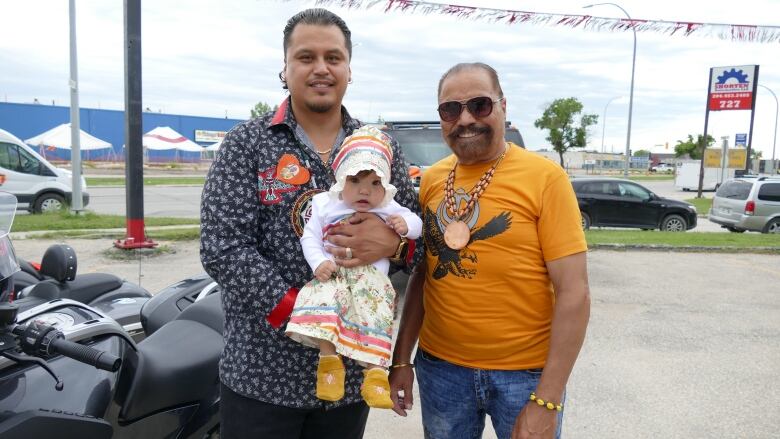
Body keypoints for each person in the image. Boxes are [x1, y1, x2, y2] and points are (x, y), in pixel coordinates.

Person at [200, 9, 420, 439]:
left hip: (350, 379)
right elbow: (222, 247)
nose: (321, 68)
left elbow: (421, 245)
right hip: (261, 376)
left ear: (349, 70)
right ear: (284, 69)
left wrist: (392, 247)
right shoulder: (249, 143)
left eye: (333, 57)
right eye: (306, 57)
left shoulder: (380, 147)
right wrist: (302, 312)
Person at [389, 62, 591, 439]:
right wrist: (402, 358)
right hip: (441, 371)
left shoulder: (546, 179)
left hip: (525, 377)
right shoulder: (432, 179)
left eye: (479, 105)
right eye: (451, 109)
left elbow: (574, 292)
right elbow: (423, 276)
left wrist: (547, 399)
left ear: (503, 106)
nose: (465, 119)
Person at [286, 125, 422, 409]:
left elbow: (417, 226)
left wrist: (404, 226)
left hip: (371, 282)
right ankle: (329, 363)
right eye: (356, 180)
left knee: (373, 321)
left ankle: (373, 376)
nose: (365, 190)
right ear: (340, 180)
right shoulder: (325, 203)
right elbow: (309, 236)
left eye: (375, 183)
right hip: (333, 275)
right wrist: (319, 262)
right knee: (323, 313)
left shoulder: (388, 206)